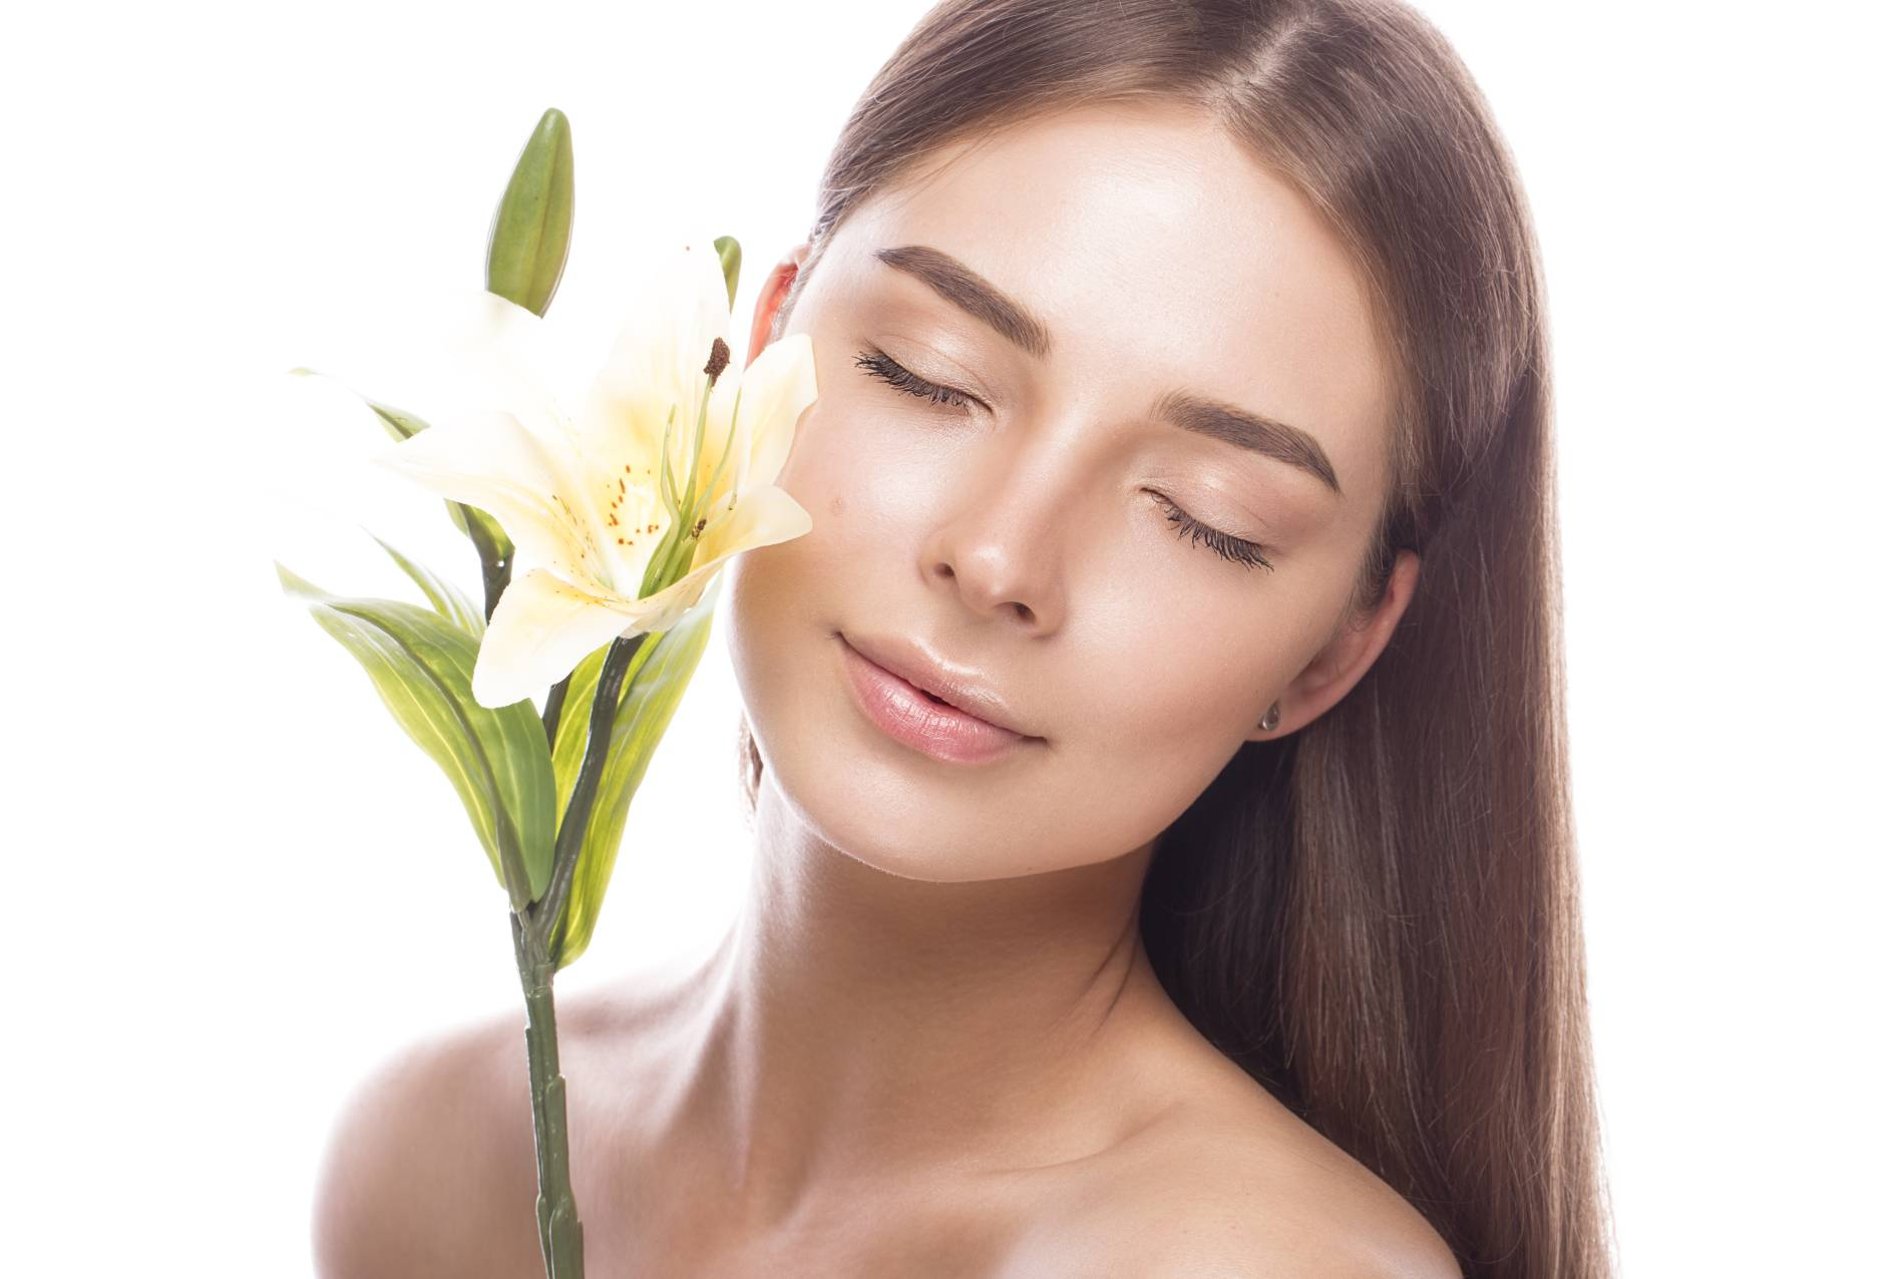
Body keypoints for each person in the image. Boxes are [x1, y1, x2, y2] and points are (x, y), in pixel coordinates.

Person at [313, 1, 1610, 1275]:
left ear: (1333, 650)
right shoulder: (442, 1148)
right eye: (930, 377)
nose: (998, 562)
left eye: (1205, 517)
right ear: (753, 355)